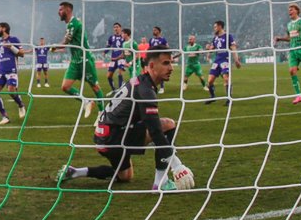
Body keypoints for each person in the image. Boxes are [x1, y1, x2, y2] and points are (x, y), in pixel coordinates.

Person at [54, 47, 195, 191]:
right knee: (167, 125)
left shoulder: (140, 83)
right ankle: (161, 182)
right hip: (115, 137)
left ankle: (76, 172)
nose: (171, 68)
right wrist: (177, 165)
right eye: (166, 63)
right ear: (152, 66)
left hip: (104, 137)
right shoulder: (146, 91)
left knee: (125, 176)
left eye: (171, 63)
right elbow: (155, 132)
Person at [51, 1, 107, 119]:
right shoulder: (70, 24)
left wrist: (54, 46)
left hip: (85, 60)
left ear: (68, 10)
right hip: (75, 61)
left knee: (95, 87)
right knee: (65, 87)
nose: (58, 12)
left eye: (61, 10)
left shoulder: (74, 23)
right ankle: (86, 102)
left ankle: (102, 114)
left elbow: (65, 42)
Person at [204, 20, 241, 105]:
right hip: (217, 60)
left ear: (220, 26)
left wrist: (236, 60)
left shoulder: (228, 36)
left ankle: (229, 99)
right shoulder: (215, 38)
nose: (214, 28)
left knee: (226, 79)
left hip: (225, 59)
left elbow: (233, 48)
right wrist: (208, 52)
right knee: (210, 81)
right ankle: (212, 97)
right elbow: (212, 48)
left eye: (215, 27)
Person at [106, 22, 127, 90]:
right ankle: (114, 89)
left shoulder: (123, 37)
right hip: (113, 58)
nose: (116, 28)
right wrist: (104, 52)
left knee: (120, 73)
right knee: (109, 76)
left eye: (117, 27)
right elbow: (108, 46)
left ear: (120, 28)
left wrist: (125, 55)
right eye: (114, 27)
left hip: (121, 58)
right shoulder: (111, 37)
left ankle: (120, 88)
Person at [148, 26, 168, 94]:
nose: (153, 31)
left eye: (155, 30)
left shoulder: (163, 40)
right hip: (153, 59)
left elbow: (167, 48)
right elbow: (149, 49)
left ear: (159, 31)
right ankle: (153, 86)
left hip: (160, 59)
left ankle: (162, 87)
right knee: (152, 73)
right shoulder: (151, 40)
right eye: (153, 30)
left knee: (160, 73)